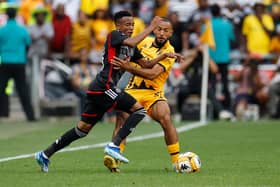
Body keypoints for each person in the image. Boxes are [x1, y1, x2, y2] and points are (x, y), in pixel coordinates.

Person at [35, 11, 174, 173]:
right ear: (118, 25)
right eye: (127, 24)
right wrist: (151, 27)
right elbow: (130, 42)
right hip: (104, 87)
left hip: (102, 90)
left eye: (132, 25)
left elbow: (146, 65)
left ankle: (44, 154)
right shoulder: (114, 35)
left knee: (81, 130)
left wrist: (163, 55)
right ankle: (114, 145)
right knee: (139, 110)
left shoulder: (131, 46)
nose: (130, 28)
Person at [104, 18, 183, 172]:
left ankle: (177, 161)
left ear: (171, 33)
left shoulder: (170, 52)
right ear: (154, 30)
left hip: (153, 93)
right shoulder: (143, 41)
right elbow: (129, 48)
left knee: (166, 117)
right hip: (132, 89)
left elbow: (152, 74)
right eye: (159, 29)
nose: (161, 33)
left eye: (165, 30)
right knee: (122, 118)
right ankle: (114, 159)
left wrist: (128, 67)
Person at [0, 7, 36, 121]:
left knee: (1, 89)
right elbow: (28, 44)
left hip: (5, 62)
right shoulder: (22, 30)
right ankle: (30, 116)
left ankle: (3, 113)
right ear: (15, 15)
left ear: (6, 15)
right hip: (19, 62)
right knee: (23, 90)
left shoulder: (2, 30)